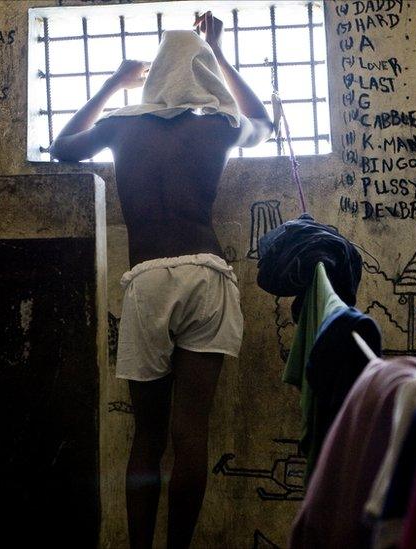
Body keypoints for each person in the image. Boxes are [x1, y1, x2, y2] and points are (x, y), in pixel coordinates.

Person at [49, 11, 272, 549]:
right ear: (202, 72)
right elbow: (265, 124)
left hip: (147, 282)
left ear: (152, 78)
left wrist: (111, 83)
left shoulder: (123, 124)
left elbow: (62, 147)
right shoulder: (216, 123)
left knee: (147, 435)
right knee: (190, 433)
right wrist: (219, 52)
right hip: (206, 274)